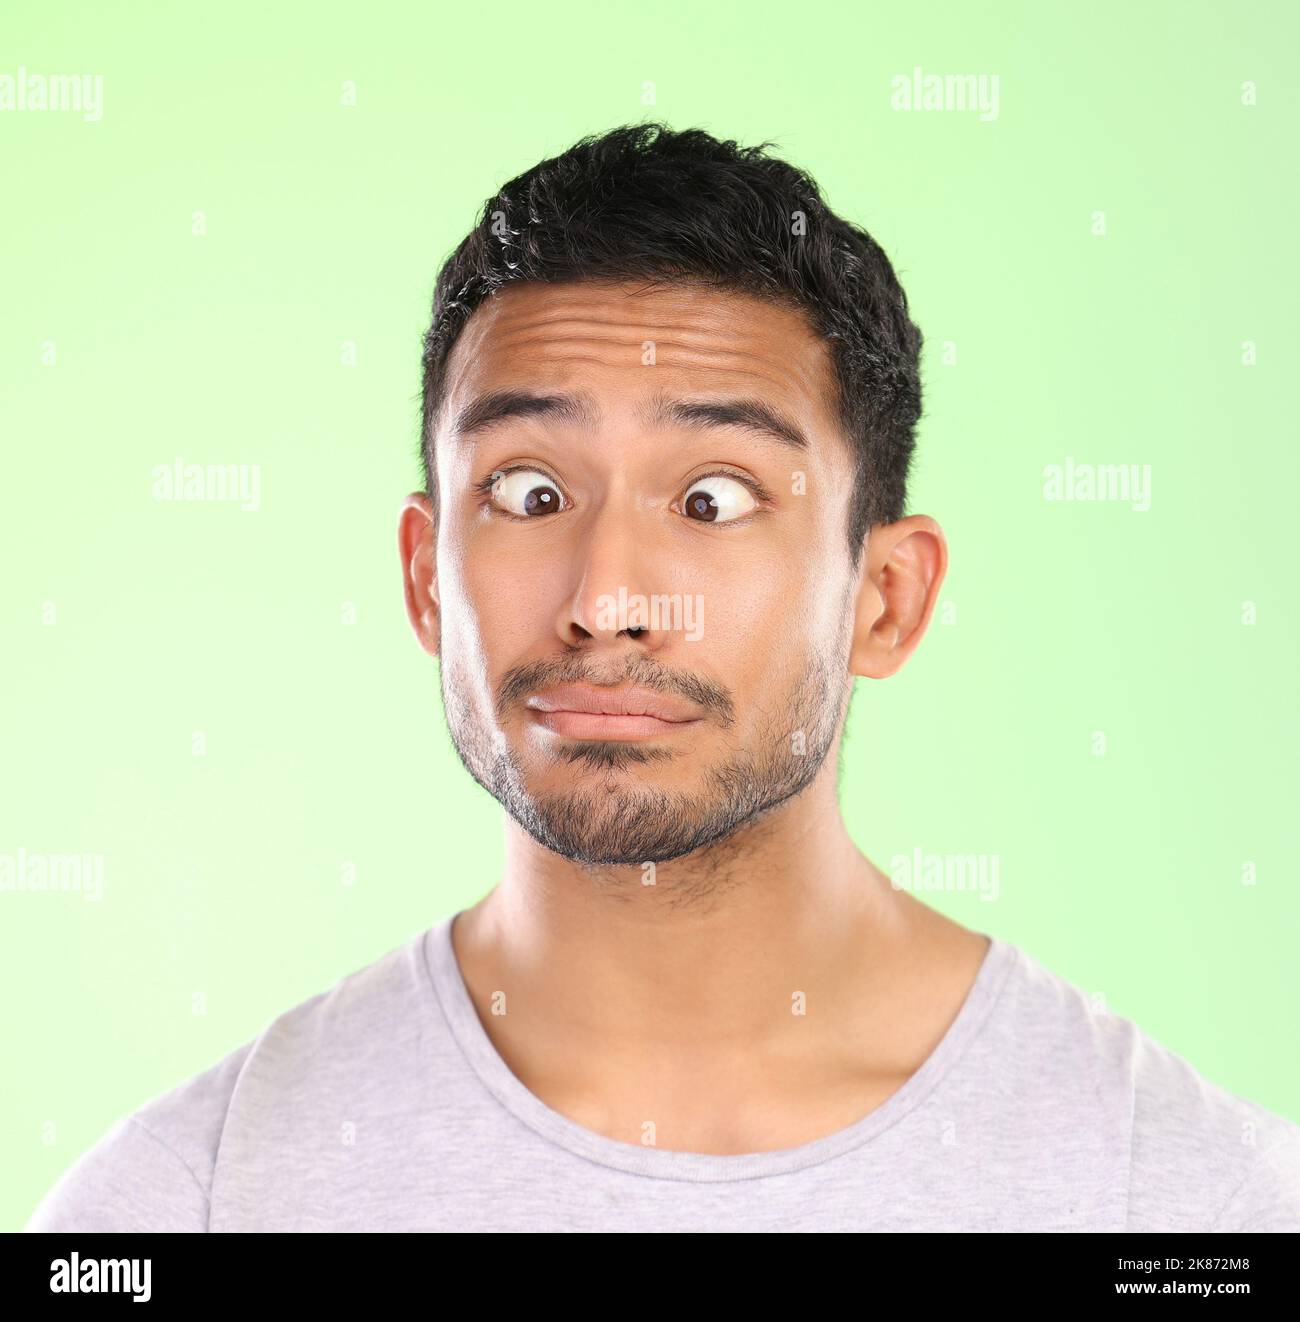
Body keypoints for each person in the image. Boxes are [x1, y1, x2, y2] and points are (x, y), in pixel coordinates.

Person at [25, 122, 1300, 1232]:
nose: (607, 602)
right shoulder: (181, 1206)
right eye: (527, 492)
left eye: (712, 496)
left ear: (886, 597)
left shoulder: (1185, 1203)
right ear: (426, 577)